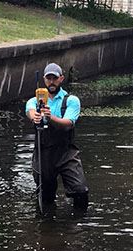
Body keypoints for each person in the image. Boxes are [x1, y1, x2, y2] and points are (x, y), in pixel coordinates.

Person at [26, 63, 89, 217]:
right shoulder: (34, 100)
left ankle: (80, 221)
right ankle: (47, 223)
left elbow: (68, 124)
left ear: (61, 78)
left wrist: (50, 118)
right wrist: (35, 117)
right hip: (44, 153)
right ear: (44, 79)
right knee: (46, 195)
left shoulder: (71, 100)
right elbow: (30, 111)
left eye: (55, 78)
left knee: (80, 190)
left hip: (66, 153)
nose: (52, 82)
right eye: (49, 78)